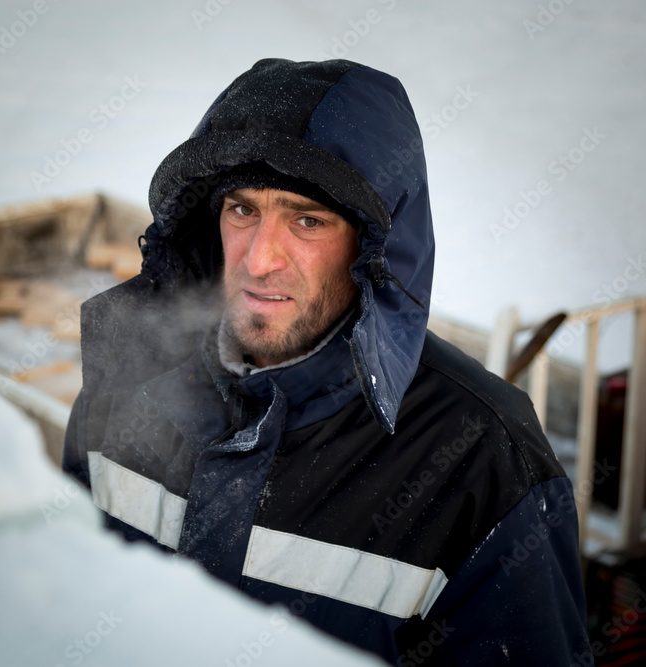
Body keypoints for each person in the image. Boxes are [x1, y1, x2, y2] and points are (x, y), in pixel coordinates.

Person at [63, 58, 591, 665]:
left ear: (373, 249)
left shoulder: (483, 459)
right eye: (243, 210)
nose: (259, 260)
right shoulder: (127, 382)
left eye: (307, 220)